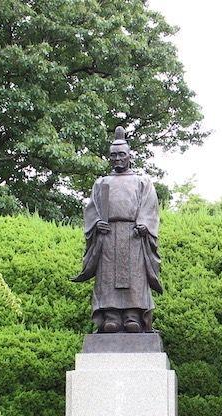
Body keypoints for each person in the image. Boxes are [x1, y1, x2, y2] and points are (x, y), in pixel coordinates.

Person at [72, 126, 162, 332]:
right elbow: (92, 209)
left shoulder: (142, 182)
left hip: (133, 237)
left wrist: (144, 225)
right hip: (108, 236)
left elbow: (150, 208)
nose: (117, 159)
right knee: (107, 278)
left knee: (135, 277)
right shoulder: (101, 183)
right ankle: (110, 316)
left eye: (122, 155)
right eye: (113, 155)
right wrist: (96, 224)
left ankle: (133, 316)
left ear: (130, 157)